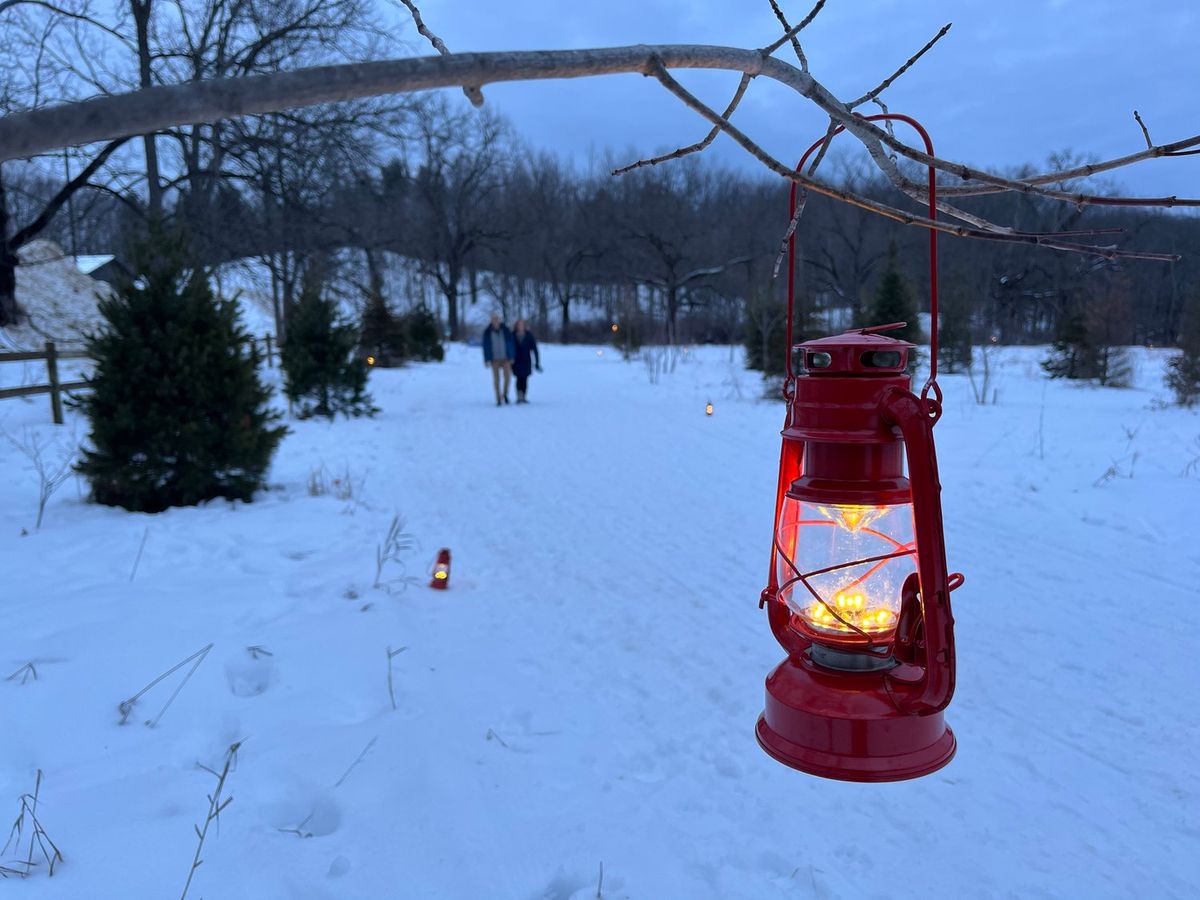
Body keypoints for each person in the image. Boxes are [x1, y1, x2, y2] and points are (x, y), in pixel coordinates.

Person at [481, 312, 515, 405]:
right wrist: (486, 360)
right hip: (494, 359)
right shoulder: (487, 332)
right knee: (496, 380)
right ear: (491, 321)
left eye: (497, 319)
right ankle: (498, 399)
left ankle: (505, 395)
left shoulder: (506, 330)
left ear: (499, 320)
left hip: (506, 358)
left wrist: (511, 356)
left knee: (507, 378)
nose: (495, 321)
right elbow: (485, 347)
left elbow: (511, 344)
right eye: (493, 319)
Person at [511, 319, 541, 404]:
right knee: (518, 378)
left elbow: (534, 349)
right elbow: (508, 348)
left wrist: (537, 361)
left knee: (525, 378)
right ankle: (519, 396)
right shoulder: (512, 335)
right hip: (516, 360)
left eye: (522, 325)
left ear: (524, 326)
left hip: (526, 360)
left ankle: (523, 396)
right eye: (519, 325)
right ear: (516, 326)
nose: (520, 326)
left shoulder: (529, 335)